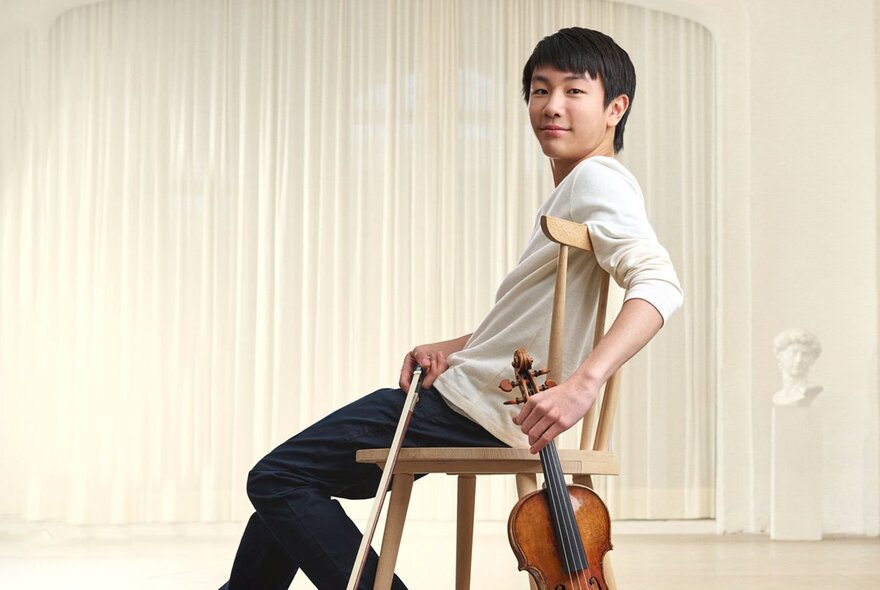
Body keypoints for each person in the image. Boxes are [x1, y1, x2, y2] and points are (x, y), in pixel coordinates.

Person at [220, 26, 683, 590]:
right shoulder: (580, 186)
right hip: (483, 396)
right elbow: (531, 325)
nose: (551, 107)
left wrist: (585, 382)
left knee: (277, 478)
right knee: (293, 483)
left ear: (616, 108)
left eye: (573, 92)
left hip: (474, 408)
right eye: (539, 91)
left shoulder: (598, 180)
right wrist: (458, 346)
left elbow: (660, 283)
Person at [771, 329, 823, 406]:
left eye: (805, 354)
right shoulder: (778, 397)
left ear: (812, 360)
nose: (799, 360)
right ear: (780, 355)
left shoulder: (811, 391)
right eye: (793, 353)